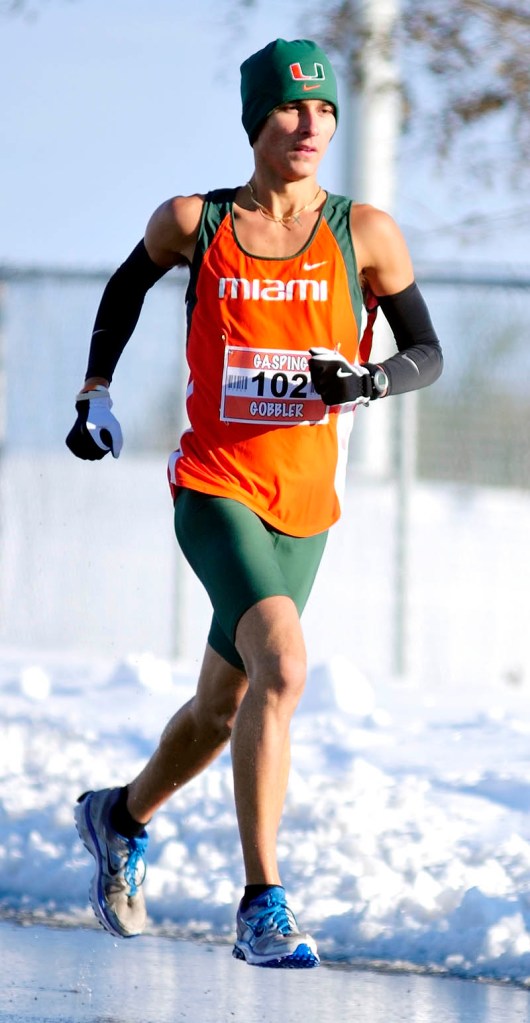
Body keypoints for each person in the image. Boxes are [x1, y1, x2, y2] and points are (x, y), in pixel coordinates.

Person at [66, 38, 443, 969]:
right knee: (284, 660)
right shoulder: (197, 221)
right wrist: (96, 389)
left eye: (324, 112)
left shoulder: (368, 232)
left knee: (222, 705)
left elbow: (427, 352)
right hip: (214, 486)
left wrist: (369, 384)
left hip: (305, 506)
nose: (309, 126)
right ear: (256, 120)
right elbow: (125, 285)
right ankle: (261, 904)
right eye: (290, 109)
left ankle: (119, 814)